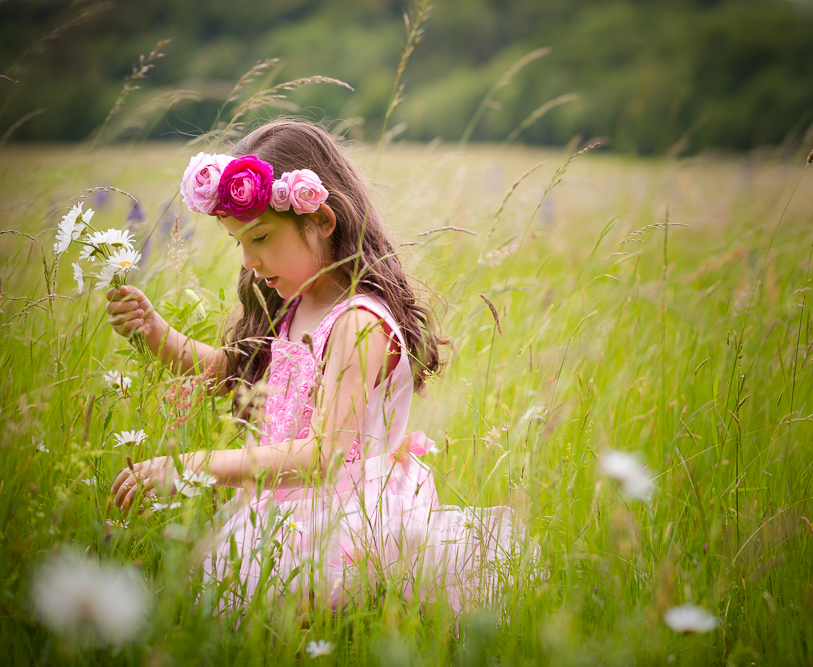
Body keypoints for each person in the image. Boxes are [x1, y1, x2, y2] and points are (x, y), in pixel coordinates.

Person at [106, 119, 529, 613]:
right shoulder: (293, 304)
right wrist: (154, 332)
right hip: (287, 512)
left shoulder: (357, 322)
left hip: (345, 526)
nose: (248, 261)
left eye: (261, 238)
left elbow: (324, 455)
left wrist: (194, 467)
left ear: (322, 221)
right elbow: (231, 373)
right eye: (237, 243)